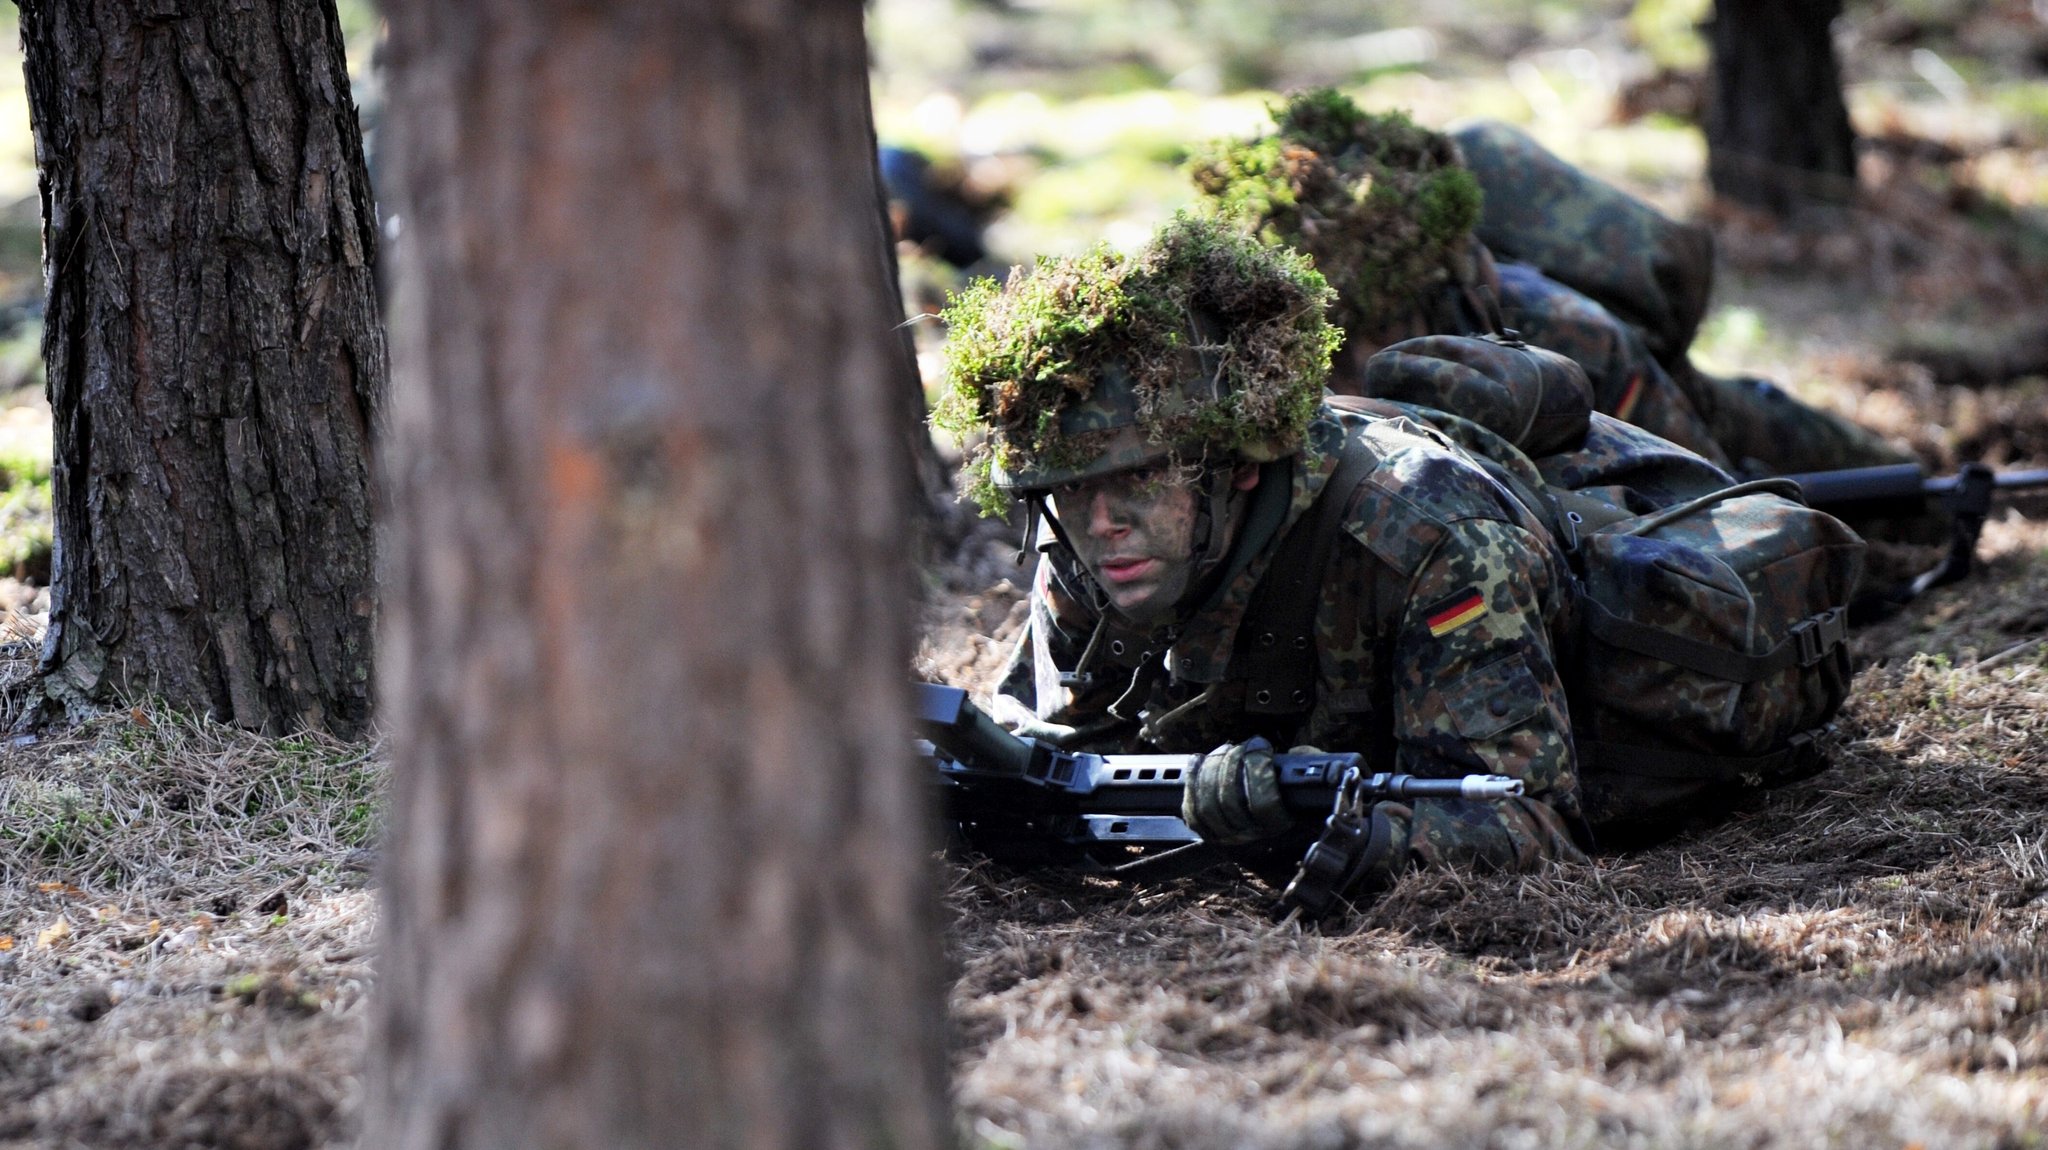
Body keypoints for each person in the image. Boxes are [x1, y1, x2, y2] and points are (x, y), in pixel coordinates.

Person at [933, 215, 1593, 900]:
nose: (1103, 524)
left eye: (1142, 477)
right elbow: (1054, 757)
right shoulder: (1086, 547)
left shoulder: (1429, 540)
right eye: (1071, 487)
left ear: (1237, 467)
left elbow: (1529, 819)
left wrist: (1334, 836)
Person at [1188, 89, 1908, 478]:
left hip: (1672, 415)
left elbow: (1711, 490)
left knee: (1765, 429)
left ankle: (1921, 487)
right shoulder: (1264, 340)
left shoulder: (1559, 332)